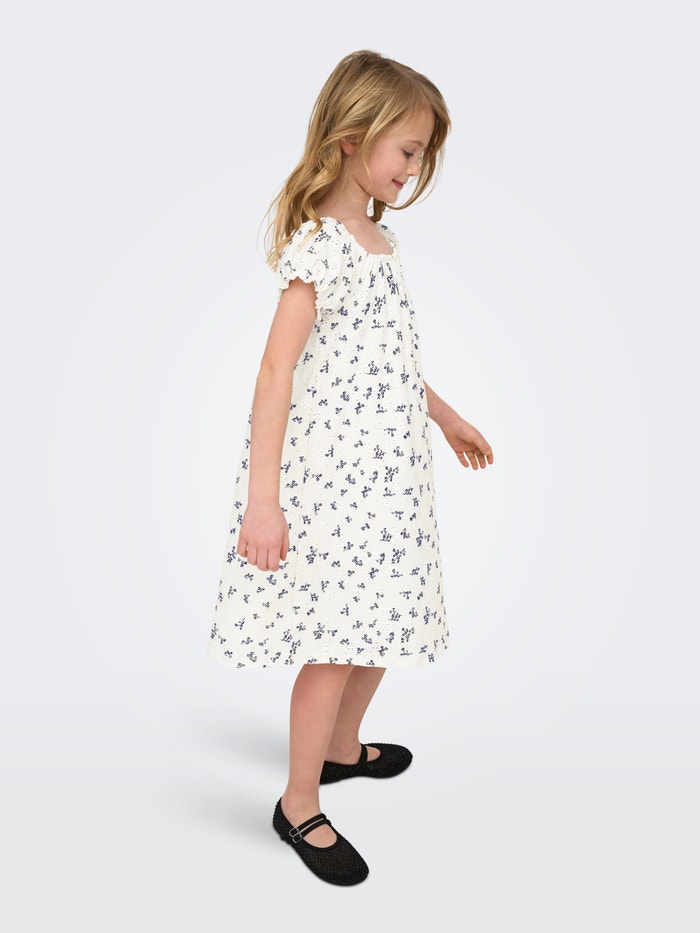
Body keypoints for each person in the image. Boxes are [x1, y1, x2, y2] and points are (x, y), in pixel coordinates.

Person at [209, 49, 493, 886]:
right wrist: (263, 502)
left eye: (422, 154)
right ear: (350, 139)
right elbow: (275, 372)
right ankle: (299, 801)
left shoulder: (381, 241)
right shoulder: (321, 248)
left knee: (386, 621)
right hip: (333, 486)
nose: (415, 168)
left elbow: (388, 357)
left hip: (389, 483)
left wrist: (445, 414)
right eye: (407, 150)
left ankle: (339, 748)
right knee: (336, 639)